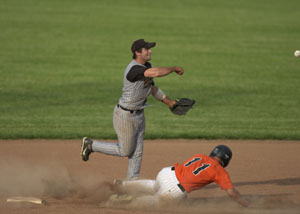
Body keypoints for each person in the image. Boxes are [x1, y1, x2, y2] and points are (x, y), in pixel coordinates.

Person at [80, 39, 185, 180]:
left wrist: (169, 102)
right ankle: (91, 145)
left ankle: (130, 187)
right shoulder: (133, 70)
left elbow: (152, 88)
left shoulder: (147, 66)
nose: (150, 51)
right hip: (125, 115)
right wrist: (173, 68)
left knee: (137, 153)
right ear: (137, 52)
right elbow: (156, 73)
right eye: (147, 49)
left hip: (139, 115)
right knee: (125, 150)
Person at [113, 145, 250, 208]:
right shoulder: (219, 171)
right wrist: (246, 204)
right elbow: (232, 193)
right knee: (159, 201)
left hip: (166, 172)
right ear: (225, 160)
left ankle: (124, 185)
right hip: (174, 188)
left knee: (155, 184)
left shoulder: (200, 156)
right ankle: (131, 199)